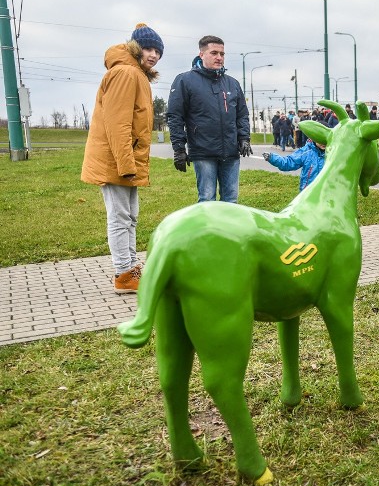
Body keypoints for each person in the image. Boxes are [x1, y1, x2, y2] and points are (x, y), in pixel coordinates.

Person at [81, 23, 163, 294]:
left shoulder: (135, 73)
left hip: (123, 160)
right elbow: (118, 124)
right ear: (135, 47)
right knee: (119, 217)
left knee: (129, 217)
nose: (153, 55)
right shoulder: (127, 73)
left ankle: (130, 267)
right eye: (148, 48)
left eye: (158, 50)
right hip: (116, 161)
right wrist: (126, 164)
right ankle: (123, 274)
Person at [167, 35, 252, 203]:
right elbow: (175, 116)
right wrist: (179, 148)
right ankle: (208, 230)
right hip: (203, 152)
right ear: (202, 54)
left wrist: (244, 138)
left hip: (231, 152)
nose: (219, 57)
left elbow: (242, 114)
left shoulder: (232, 83)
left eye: (222, 53)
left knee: (231, 199)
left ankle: (227, 230)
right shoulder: (185, 80)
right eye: (214, 53)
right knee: (207, 199)